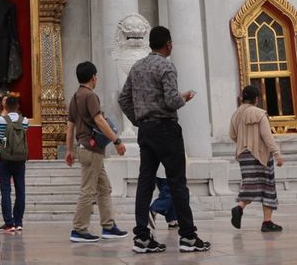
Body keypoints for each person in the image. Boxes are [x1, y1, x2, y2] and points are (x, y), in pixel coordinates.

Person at [119, 26, 211, 253]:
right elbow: (171, 100)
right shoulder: (166, 66)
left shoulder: (137, 67)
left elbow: (123, 99)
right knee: (177, 182)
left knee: (145, 182)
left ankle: (142, 236)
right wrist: (185, 97)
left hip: (146, 131)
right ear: (168, 44)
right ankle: (188, 236)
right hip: (166, 129)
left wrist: (139, 120)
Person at [65, 61, 129, 243]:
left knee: (104, 188)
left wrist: (69, 150)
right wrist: (116, 140)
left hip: (86, 149)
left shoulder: (75, 96)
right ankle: (79, 229)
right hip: (92, 149)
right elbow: (100, 120)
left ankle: (108, 226)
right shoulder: (90, 96)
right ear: (93, 77)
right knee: (88, 190)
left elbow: (70, 127)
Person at [229, 84, 284, 232]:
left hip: (244, 154)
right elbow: (267, 136)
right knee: (267, 186)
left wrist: (244, 143)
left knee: (249, 183)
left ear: (243, 98)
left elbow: (233, 135)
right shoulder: (259, 113)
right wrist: (277, 153)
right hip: (260, 154)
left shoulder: (236, 114)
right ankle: (267, 221)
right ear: (257, 99)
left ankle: (240, 207)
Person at [0, 95, 30, 233]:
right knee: (20, 190)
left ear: (5, 106)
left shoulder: (0, 119)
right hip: (20, 159)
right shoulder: (25, 121)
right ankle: (19, 221)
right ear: (18, 106)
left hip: (5, 158)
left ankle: (9, 223)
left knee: (5, 190)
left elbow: (0, 136)